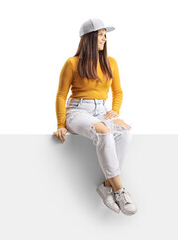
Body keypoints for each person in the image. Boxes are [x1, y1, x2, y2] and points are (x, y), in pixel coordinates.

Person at [53, 18, 137, 216]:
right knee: (103, 131)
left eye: (105, 36)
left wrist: (115, 110)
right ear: (89, 38)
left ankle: (106, 186)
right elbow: (61, 95)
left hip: (101, 109)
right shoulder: (72, 63)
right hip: (77, 110)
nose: (104, 39)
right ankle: (118, 190)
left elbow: (118, 92)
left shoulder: (111, 63)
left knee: (125, 130)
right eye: (100, 35)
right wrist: (60, 123)